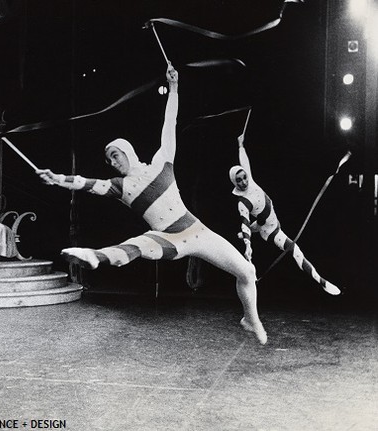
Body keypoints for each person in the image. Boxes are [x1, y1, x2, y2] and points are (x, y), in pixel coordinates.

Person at [36, 64, 268, 345]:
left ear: (127, 151)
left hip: (197, 231)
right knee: (136, 247)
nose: (112, 162)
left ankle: (250, 318)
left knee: (247, 271)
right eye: (109, 160)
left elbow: (170, 123)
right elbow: (86, 183)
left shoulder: (161, 163)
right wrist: (57, 178)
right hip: (167, 238)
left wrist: (174, 89)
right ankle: (95, 256)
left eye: (114, 155)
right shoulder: (120, 187)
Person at [229, 134, 341, 296]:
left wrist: (240, 145)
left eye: (244, 177)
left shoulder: (250, 180)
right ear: (235, 183)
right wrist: (248, 245)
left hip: (265, 222)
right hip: (270, 231)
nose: (244, 182)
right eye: (239, 180)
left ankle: (245, 234)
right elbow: (245, 222)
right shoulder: (242, 202)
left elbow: (243, 160)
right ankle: (320, 280)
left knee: (258, 224)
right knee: (295, 249)